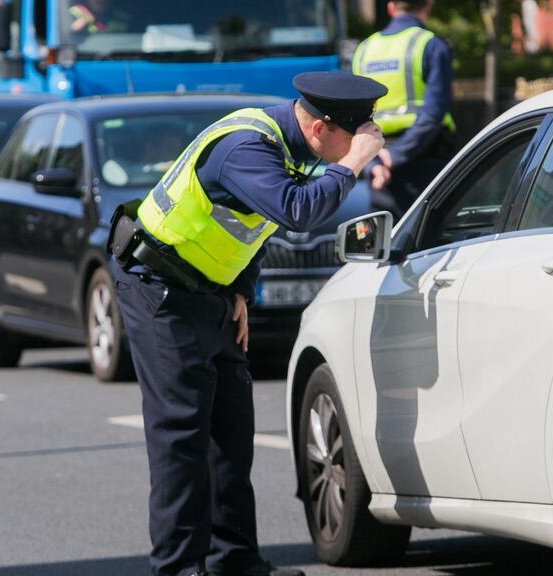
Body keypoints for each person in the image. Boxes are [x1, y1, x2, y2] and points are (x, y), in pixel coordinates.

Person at [108, 71, 387, 576]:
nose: (363, 148)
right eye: (356, 137)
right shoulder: (247, 147)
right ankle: (179, 569)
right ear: (322, 128)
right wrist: (352, 165)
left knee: (231, 434)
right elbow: (296, 212)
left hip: (209, 292)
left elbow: (251, 224)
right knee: (182, 438)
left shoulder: (293, 146)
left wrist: (240, 288)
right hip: (160, 291)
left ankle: (232, 561)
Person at [352, 0, 456, 217]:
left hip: (377, 156)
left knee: (387, 238)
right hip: (425, 154)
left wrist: (374, 162)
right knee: (427, 239)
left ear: (391, 8)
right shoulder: (431, 45)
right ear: (427, 6)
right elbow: (433, 113)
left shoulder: (364, 49)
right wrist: (396, 155)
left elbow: (353, 117)